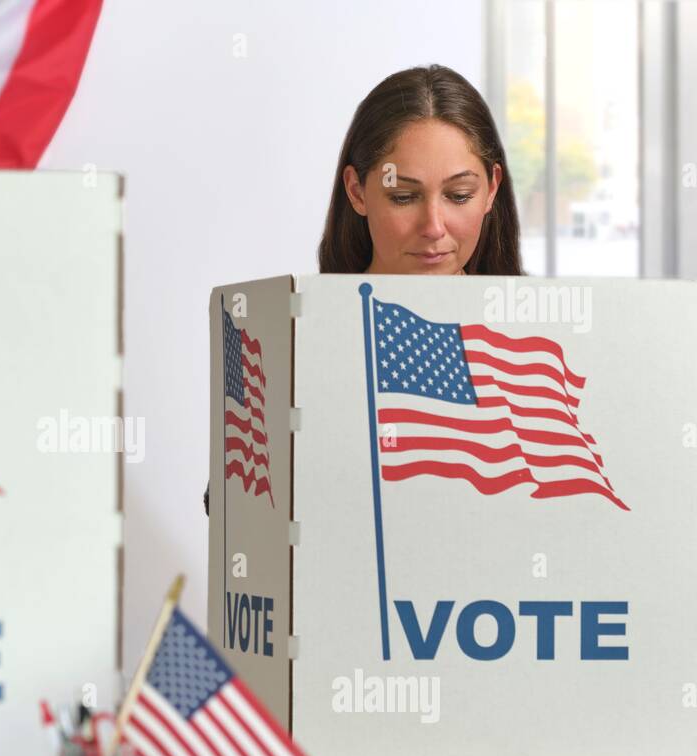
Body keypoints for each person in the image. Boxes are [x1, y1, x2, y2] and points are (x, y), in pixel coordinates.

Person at [205, 64, 523, 515]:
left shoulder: (535, 337)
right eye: (403, 196)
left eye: (458, 195)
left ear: (491, 190)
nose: (433, 227)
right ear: (357, 191)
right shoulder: (296, 335)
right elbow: (239, 511)